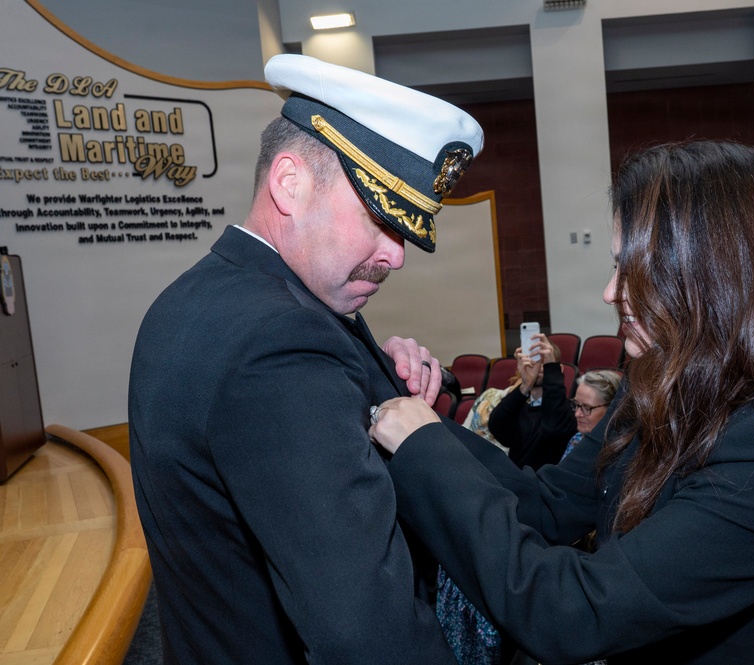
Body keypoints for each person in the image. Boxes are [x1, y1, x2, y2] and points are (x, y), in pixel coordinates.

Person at [369, 141, 754, 664]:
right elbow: (551, 505)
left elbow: (572, 613)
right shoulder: (655, 383)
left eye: (635, 269)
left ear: (716, 275)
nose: (611, 292)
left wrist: (422, 450)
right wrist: (421, 420)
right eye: (617, 266)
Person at [128, 54, 482, 664]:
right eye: (380, 219)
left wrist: (381, 383)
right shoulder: (279, 342)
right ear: (289, 182)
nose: (396, 257)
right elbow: (366, 633)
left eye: (407, 233)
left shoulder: (202, 297)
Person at [487, 333, 577, 469]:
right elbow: (497, 427)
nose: (537, 366)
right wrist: (525, 386)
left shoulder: (569, 411)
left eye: (543, 362)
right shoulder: (520, 406)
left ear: (557, 370)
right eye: (533, 360)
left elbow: (553, 429)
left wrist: (551, 371)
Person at [561, 369, 622, 460]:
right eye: (576, 404)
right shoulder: (577, 438)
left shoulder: (617, 455)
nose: (577, 414)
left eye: (587, 407)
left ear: (611, 410)